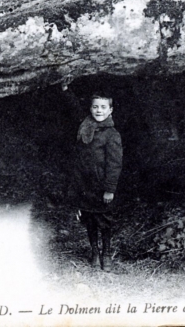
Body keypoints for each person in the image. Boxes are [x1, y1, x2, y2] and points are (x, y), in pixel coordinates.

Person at [73, 93, 123, 271]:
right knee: (90, 219)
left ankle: (106, 253)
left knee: (104, 220)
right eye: (95, 107)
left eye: (103, 107)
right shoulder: (85, 128)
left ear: (110, 110)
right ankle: (95, 252)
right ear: (90, 108)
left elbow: (115, 164)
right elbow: (79, 160)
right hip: (86, 186)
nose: (98, 110)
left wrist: (109, 189)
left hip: (101, 186)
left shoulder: (111, 134)